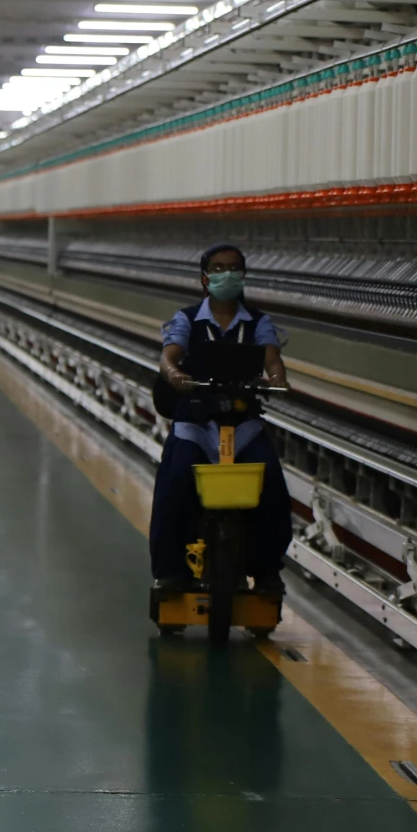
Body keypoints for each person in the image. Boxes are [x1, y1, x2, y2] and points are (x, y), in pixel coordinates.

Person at [150, 242, 293, 600]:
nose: (225, 274)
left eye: (232, 267)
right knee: (177, 479)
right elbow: (170, 353)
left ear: (242, 276)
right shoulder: (187, 319)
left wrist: (277, 377)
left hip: (240, 421)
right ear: (204, 277)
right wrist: (172, 373)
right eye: (217, 268)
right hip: (195, 422)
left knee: (271, 479)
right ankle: (170, 572)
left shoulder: (258, 322)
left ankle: (266, 568)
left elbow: (271, 357)